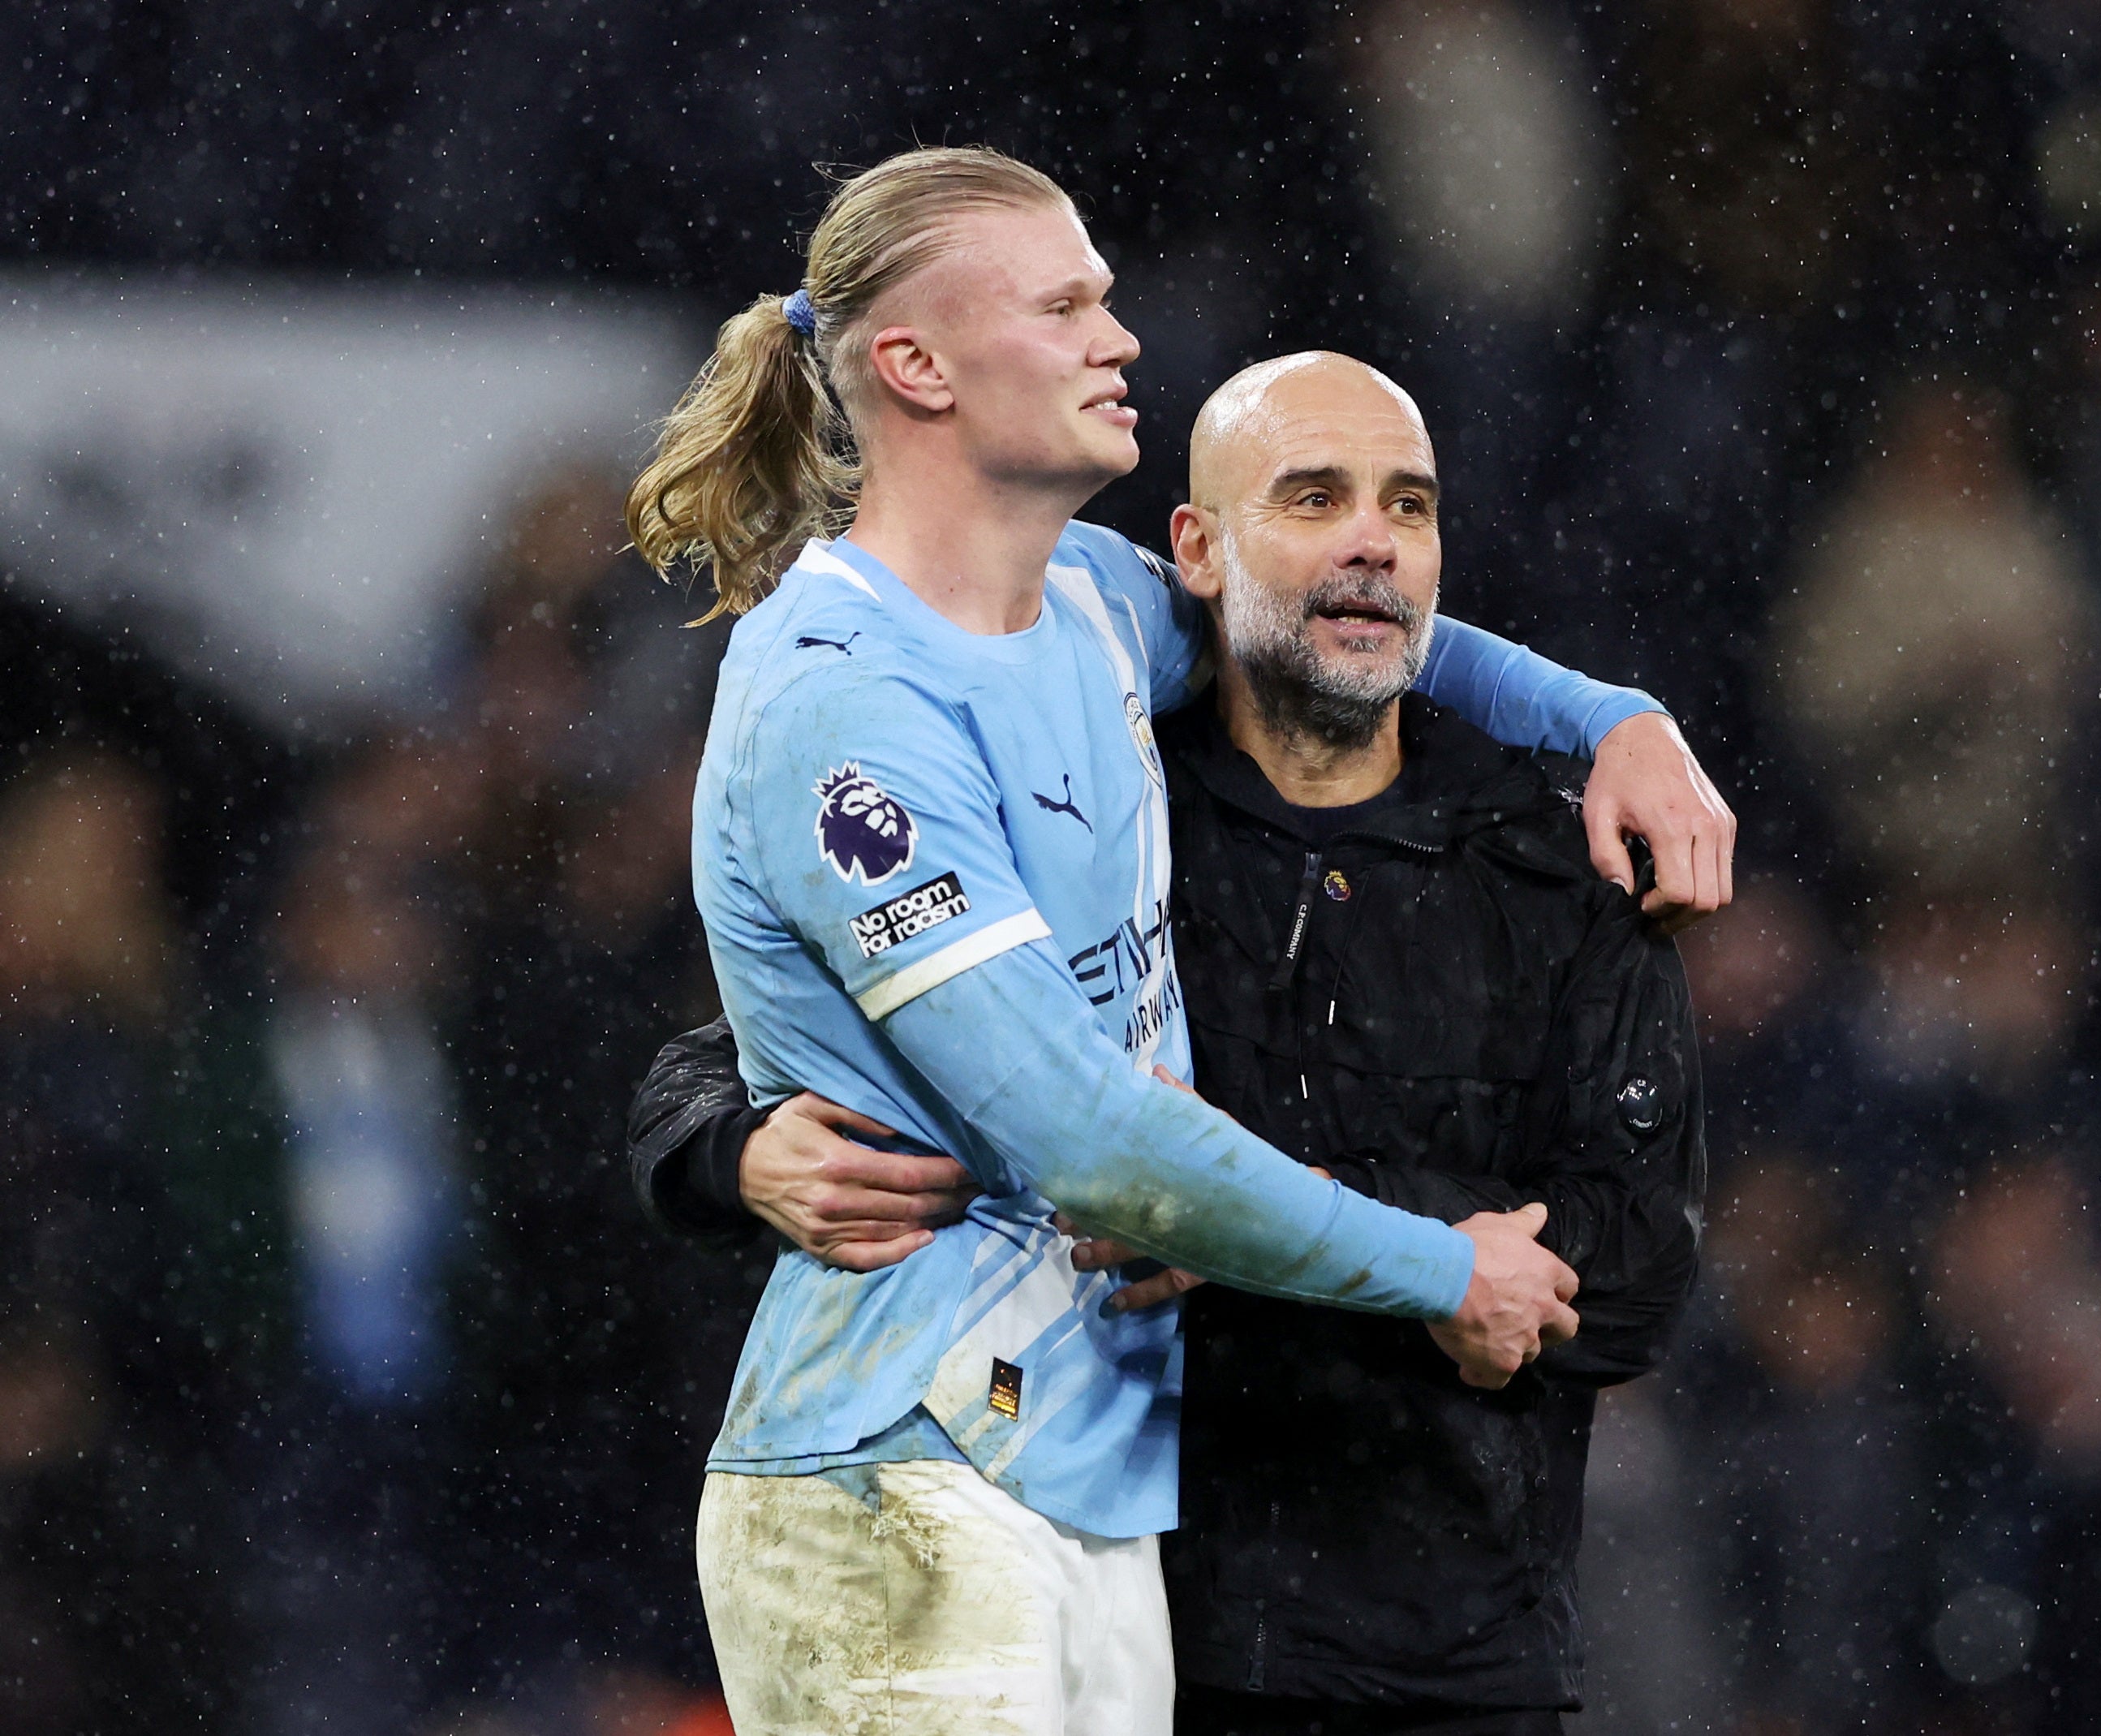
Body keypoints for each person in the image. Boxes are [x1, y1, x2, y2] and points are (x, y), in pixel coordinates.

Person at [625, 146, 1732, 1734]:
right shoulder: (847, 704)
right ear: (916, 365)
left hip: (1092, 1489)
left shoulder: (1084, 603)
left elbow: (1319, 611)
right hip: (907, 1475)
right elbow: (1085, 1135)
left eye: (1108, 296)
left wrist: (1612, 717)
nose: (1118, 335)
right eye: (1065, 302)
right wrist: (1437, 1264)